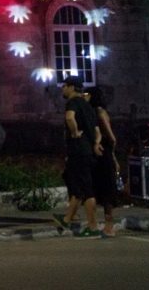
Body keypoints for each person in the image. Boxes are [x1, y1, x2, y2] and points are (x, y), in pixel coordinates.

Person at [53, 76, 103, 239]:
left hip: (78, 151)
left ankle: (93, 226)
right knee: (77, 187)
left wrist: (74, 132)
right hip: (87, 150)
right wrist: (95, 144)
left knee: (86, 190)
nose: (62, 89)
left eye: (64, 86)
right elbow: (97, 131)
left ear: (72, 87)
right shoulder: (88, 106)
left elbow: (69, 117)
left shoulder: (73, 102)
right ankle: (67, 219)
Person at [86, 88, 119, 238]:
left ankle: (108, 225)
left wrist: (112, 154)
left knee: (106, 188)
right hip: (100, 152)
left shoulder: (99, 112)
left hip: (103, 151)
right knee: (99, 188)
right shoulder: (93, 112)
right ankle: (102, 225)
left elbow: (111, 138)